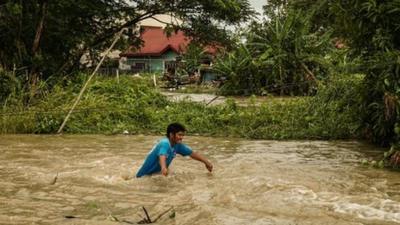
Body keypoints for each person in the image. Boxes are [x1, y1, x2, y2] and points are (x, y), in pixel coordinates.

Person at [136, 122, 213, 178]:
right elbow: (162, 155)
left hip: (155, 175)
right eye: (179, 135)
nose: (181, 137)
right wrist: (163, 167)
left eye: (183, 135)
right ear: (171, 135)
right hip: (143, 177)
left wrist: (206, 162)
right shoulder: (164, 143)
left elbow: (192, 154)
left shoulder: (178, 145)